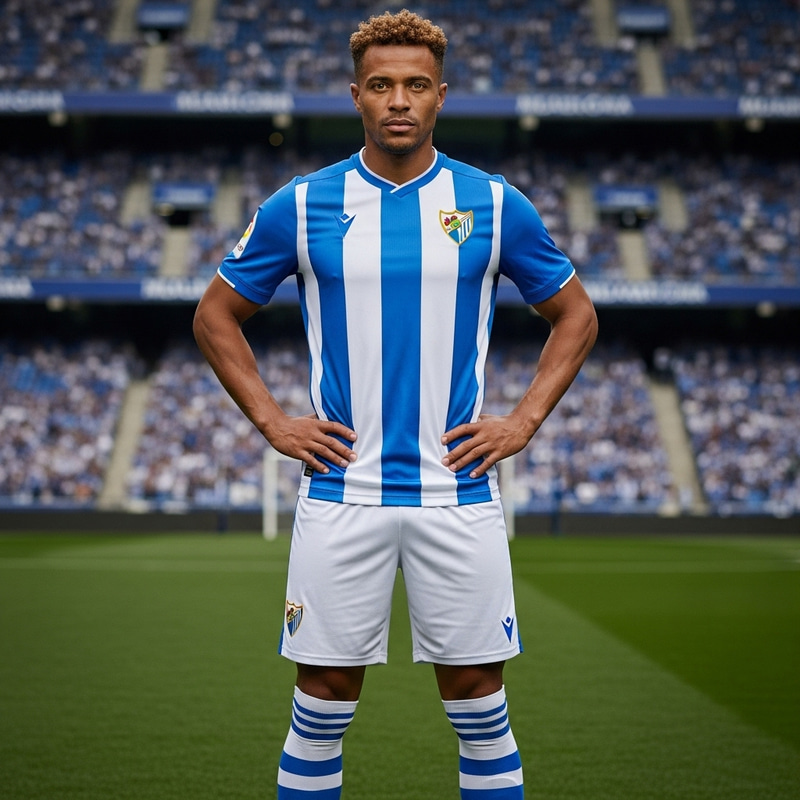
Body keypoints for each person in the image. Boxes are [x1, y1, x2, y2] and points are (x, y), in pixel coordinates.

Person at [193, 9, 598, 798]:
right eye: (382, 85)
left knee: (479, 698)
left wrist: (522, 421)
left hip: (458, 491)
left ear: (441, 95)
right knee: (323, 700)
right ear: (357, 96)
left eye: (416, 85)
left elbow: (576, 315)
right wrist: (274, 422)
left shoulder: (493, 202)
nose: (399, 100)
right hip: (343, 491)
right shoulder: (304, 203)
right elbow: (215, 315)